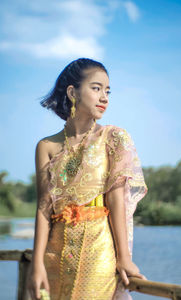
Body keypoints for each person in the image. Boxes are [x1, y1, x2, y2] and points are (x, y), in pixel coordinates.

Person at [28, 58, 148, 300]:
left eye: (107, 91)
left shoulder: (113, 138)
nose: (104, 97)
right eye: (96, 88)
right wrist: (37, 263)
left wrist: (124, 258)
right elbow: (43, 208)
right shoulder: (46, 146)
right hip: (55, 254)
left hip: (98, 252)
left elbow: (116, 202)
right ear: (73, 92)